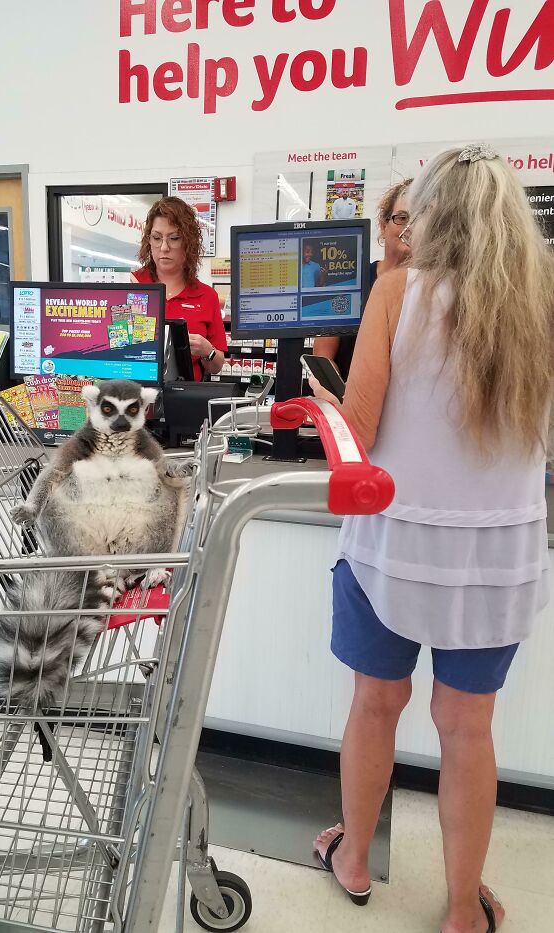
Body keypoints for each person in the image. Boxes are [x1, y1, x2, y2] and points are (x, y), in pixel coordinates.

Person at [309, 145, 553, 933]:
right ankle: (460, 909)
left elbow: (363, 429)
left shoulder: (394, 292)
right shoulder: (542, 301)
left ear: (432, 216)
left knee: (375, 705)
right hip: (499, 556)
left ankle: (351, 860)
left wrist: (319, 393)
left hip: (391, 545)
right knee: (468, 727)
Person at [314, 178, 412, 380]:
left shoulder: (433, 288)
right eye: (401, 218)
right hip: (348, 401)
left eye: (419, 219)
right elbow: (323, 354)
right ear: (384, 225)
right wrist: (340, 395)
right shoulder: (348, 282)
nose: (410, 227)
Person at [133, 197, 226, 381]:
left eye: (174, 238)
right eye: (157, 238)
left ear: (188, 243)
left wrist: (207, 351)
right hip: (135, 396)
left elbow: (216, 366)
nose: (164, 247)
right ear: (148, 240)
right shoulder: (132, 285)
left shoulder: (206, 296)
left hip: (184, 399)